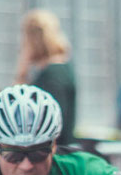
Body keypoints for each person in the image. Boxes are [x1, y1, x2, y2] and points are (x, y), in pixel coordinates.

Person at [16, 9, 77, 139]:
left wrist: (22, 73)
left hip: (52, 147)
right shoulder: (59, 68)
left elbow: (19, 110)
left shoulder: (53, 74)